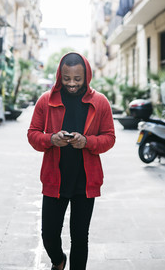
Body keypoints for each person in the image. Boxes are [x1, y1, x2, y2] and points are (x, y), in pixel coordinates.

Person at [27, 52, 115, 270]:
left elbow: (109, 138)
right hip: (54, 180)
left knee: (80, 238)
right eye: (67, 79)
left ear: (86, 76)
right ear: (59, 75)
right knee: (48, 234)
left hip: (86, 182)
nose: (72, 84)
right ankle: (58, 261)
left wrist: (87, 142)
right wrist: (51, 139)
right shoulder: (45, 101)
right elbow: (32, 134)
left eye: (78, 79)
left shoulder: (100, 102)